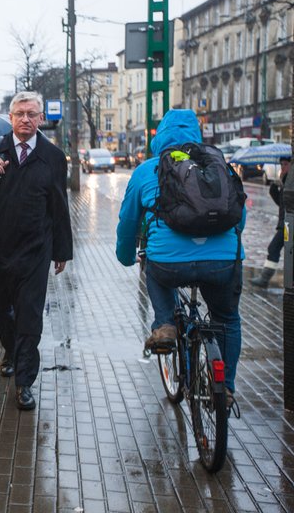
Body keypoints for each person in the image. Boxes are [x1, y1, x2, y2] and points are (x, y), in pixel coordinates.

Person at [116, 108, 245, 405]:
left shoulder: (147, 170)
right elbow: (240, 217)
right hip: (223, 263)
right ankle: (225, 388)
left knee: (153, 264)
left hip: (169, 265)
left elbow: (128, 223)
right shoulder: (218, 166)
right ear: (197, 136)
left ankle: (164, 324)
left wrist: (125, 256)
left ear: (160, 138)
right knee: (227, 319)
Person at [0, 91, 73, 411]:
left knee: (30, 317)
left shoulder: (52, 156)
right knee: (0, 310)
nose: (25, 119)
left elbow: (59, 206)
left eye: (32, 114)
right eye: (20, 113)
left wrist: (61, 250)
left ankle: (24, 382)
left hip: (35, 251)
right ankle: (11, 351)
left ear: (40, 119)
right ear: (11, 117)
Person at [250, 154, 290, 287]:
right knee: (276, 249)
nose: (283, 167)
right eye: (282, 164)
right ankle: (265, 279)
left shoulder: (290, 181)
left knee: (274, 248)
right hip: (284, 224)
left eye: (285, 164)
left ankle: (265, 279)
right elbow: (282, 203)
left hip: (288, 225)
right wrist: (274, 187)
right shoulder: (286, 180)